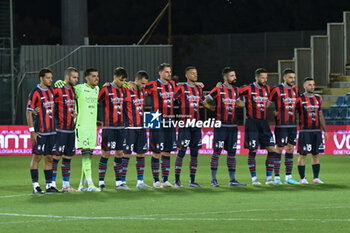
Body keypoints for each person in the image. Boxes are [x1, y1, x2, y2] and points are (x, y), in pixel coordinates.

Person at [204, 67, 247, 187]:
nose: (235, 78)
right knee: (217, 152)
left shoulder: (236, 90)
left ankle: (232, 180)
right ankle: (213, 180)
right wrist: (213, 108)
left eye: (235, 75)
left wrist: (250, 104)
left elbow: (238, 102)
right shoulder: (218, 90)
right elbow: (205, 100)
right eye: (232, 76)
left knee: (232, 153)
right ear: (225, 77)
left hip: (233, 126)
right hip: (221, 126)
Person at [239, 68, 277, 185]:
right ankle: (254, 179)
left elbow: (271, 100)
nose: (265, 80)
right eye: (262, 78)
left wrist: (270, 106)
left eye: (266, 78)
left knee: (271, 149)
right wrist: (244, 104)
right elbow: (234, 93)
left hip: (264, 123)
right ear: (256, 78)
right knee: (253, 150)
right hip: (252, 123)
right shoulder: (248, 88)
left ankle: (269, 178)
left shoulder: (267, 89)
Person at [173, 66, 209, 188]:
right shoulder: (181, 88)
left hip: (196, 125)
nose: (195, 75)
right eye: (193, 74)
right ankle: (177, 181)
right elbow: (172, 99)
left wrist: (217, 108)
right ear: (187, 75)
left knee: (194, 153)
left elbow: (204, 103)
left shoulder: (198, 90)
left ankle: (192, 181)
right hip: (185, 125)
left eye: (196, 73)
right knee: (182, 151)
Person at [26, 68, 60, 194]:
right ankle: (35, 186)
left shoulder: (52, 91)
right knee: (37, 157)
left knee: (49, 157)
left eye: (51, 77)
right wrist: (32, 131)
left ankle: (49, 185)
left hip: (52, 131)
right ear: (41, 78)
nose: (51, 80)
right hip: (40, 131)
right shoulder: (35, 92)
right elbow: (29, 111)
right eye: (48, 78)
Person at [145, 63, 177, 188]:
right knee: (156, 151)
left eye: (170, 72)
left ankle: (165, 180)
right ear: (160, 73)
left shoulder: (172, 85)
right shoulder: (152, 85)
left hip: (169, 120)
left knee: (167, 151)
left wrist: (196, 84)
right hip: (154, 118)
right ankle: (155, 181)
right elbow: (138, 87)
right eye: (167, 72)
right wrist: (131, 84)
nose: (169, 74)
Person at [97, 67, 129, 190]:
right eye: (120, 80)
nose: (122, 82)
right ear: (114, 77)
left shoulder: (124, 91)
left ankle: (119, 182)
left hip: (120, 127)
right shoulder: (105, 90)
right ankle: (101, 182)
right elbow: (96, 102)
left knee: (119, 153)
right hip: (108, 127)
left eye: (124, 81)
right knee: (106, 153)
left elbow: (126, 108)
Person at [269, 68, 300, 185]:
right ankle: (276, 177)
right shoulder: (276, 89)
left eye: (294, 78)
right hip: (281, 125)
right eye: (290, 78)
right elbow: (268, 102)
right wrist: (274, 112)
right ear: (285, 78)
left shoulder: (295, 90)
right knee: (279, 148)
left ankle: (288, 177)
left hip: (292, 124)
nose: (293, 80)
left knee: (290, 149)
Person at [51, 67, 79, 192]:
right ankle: (51, 183)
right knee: (56, 156)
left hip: (71, 129)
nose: (76, 80)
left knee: (68, 157)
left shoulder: (73, 90)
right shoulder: (57, 90)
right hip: (60, 129)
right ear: (67, 77)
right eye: (74, 77)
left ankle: (66, 185)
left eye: (77, 77)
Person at [296, 77, 328, 184]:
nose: (312, 87)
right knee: (303, 155)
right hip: (304, 131)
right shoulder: (299, 99)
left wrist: (325, 130)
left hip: (317, 131)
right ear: (304, 86)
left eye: (313, 85)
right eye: (309, 85)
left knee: (316, 154)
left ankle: (316, 178)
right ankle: (303, 178)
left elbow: (320, 115)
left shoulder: (318, 99)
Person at [73, 68, 100, 191]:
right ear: (87, 78)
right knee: (86, 153)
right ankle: (90, 184)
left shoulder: (97, 90)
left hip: (92, 127)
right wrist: (61, 83)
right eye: (93, 76)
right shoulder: (79, 88)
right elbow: (67, 89)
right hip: (81, 126)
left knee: (89, 155)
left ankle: (81, 185)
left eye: (97, 76)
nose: (96, 78)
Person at [123, 70, 151, 189]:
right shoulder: (127, 90)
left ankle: (140, 182)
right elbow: (117, 86)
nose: (144, 86)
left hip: (141, 127)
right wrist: (126, 83)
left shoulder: (143, 90)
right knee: (127, 154)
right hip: (129, 127)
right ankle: (122, 182)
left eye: (145, 84)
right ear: (137, 80)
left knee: (141, 154)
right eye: (143, 83)